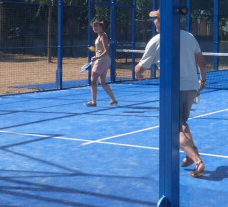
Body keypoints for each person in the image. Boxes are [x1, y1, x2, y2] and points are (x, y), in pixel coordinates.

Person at [135, 10, 208, 178]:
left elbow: (140, 69)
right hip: (191, 87)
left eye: (156, 19)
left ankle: (197, 161)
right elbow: (202, 63)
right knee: (182, 124)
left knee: (172, 129)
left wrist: (138, 71)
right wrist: (202, 81)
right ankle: (190, 155)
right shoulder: (189, 36)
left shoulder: (157, 40)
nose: (154, 22)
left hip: (174, 89)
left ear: (163, 21)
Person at [86, 20, 118, 107]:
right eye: (93, 27)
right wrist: (95, 52)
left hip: (102, 60)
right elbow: (101, 50)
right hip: (104, 60)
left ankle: (93, 102)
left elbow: (106, 51)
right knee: (102, 82)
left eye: (96, 26)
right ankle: (113, 100)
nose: (94, 28)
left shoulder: (103, 36)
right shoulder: (99, 36)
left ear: (101, 27)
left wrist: (97, 57)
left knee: (93, 80)